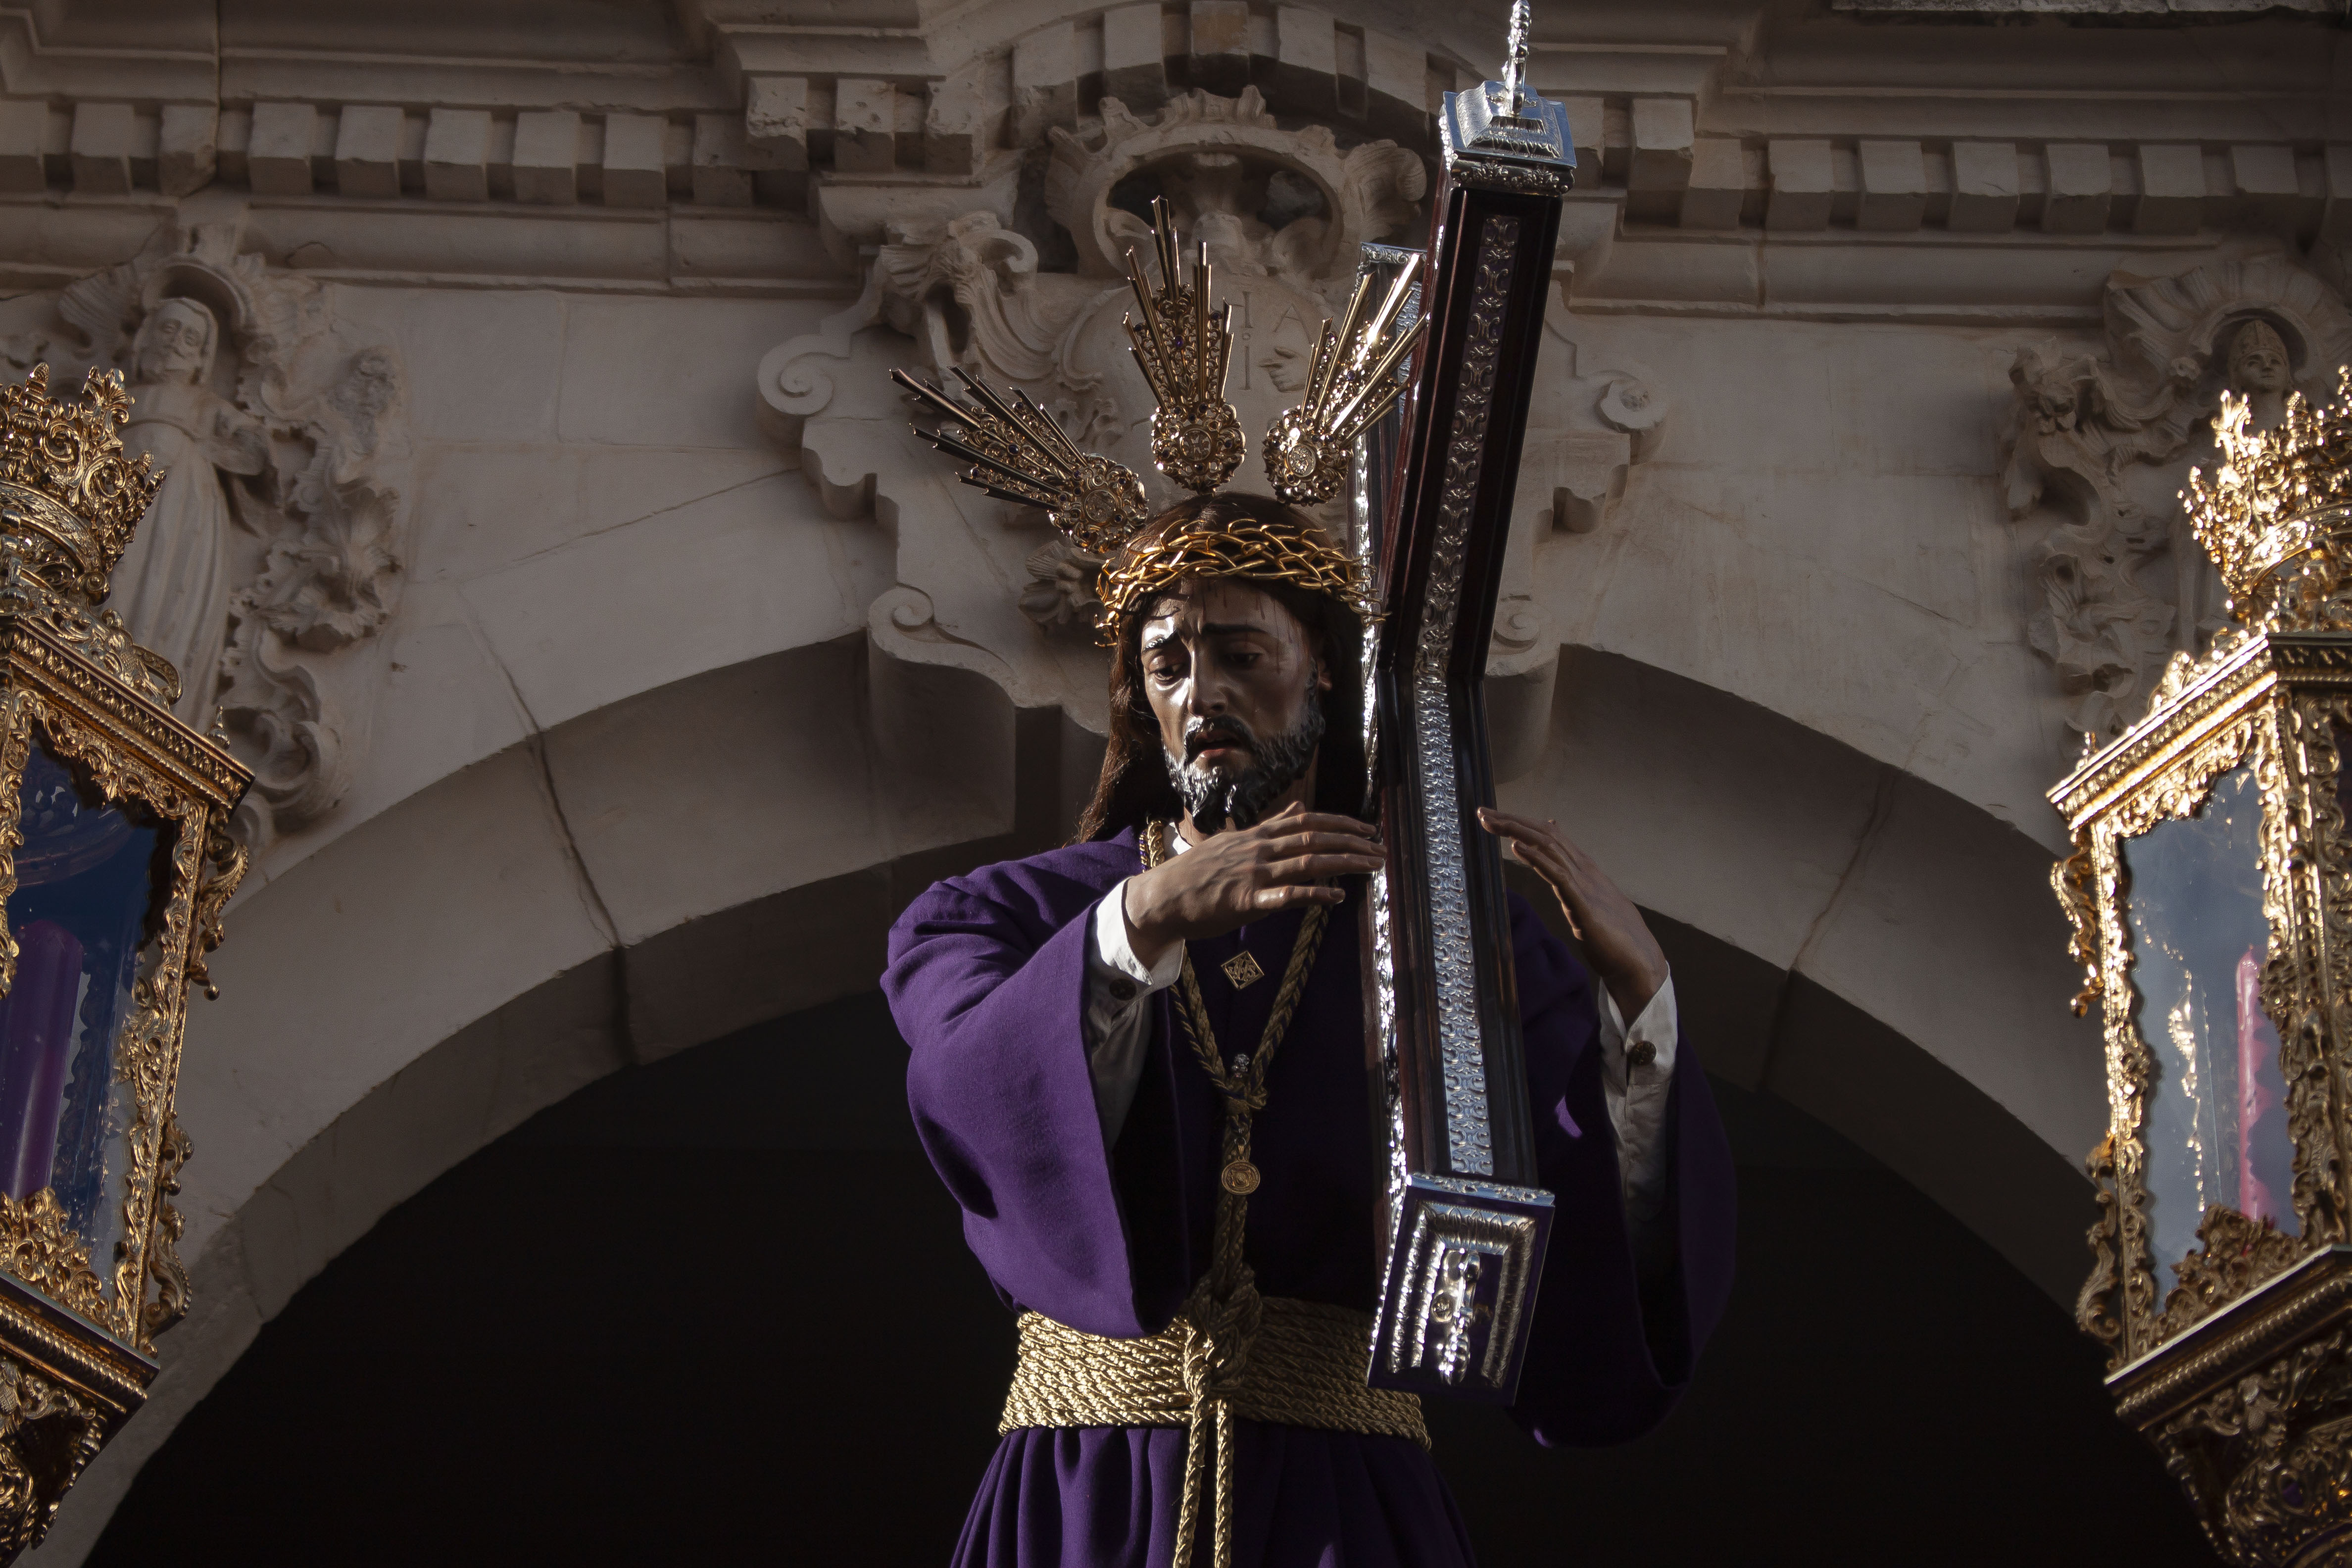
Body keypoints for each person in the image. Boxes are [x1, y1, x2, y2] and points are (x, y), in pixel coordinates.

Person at [883, 485, 1736, 1567]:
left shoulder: (1448, 937)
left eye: (1242, 655)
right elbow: (967, 1093)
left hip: (1347, 1492)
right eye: (1168, 665)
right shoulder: (1000, 916)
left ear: (1323, 664)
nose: (1203, 694)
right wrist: (1140, 922)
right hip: (1089, 1491)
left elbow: (1587, 1263)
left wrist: (1643, 1009)